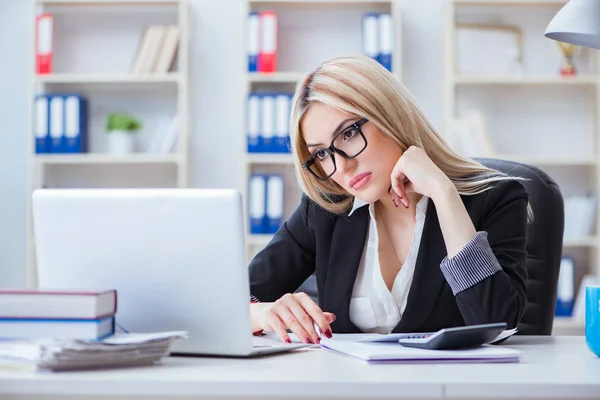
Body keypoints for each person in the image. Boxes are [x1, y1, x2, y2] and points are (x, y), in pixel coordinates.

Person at [248, 54, 530, 345]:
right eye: (321, 153)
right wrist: (261, 313)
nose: (341, 167)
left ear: (388, 115)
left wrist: (444, 195)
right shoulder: (325, 210)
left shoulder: (498, 199)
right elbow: (229, 300)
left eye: (348, 134)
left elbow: (494, 323)